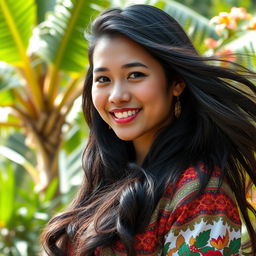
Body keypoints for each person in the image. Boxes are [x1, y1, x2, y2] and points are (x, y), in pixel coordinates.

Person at [41, 4, 256, 256]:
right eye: (103, 79)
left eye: (135, 75)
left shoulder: (200, 192)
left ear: (176, 82)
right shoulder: (105, 178)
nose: (117, 95)